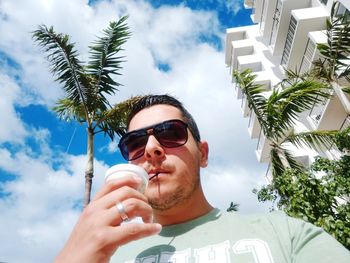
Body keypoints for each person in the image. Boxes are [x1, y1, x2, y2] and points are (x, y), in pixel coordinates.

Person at [55, 94, 350, 263]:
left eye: (170, 133)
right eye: (134, 143)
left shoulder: (285, 233)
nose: (151, 149)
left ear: (203, 154)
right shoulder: (103, 255)